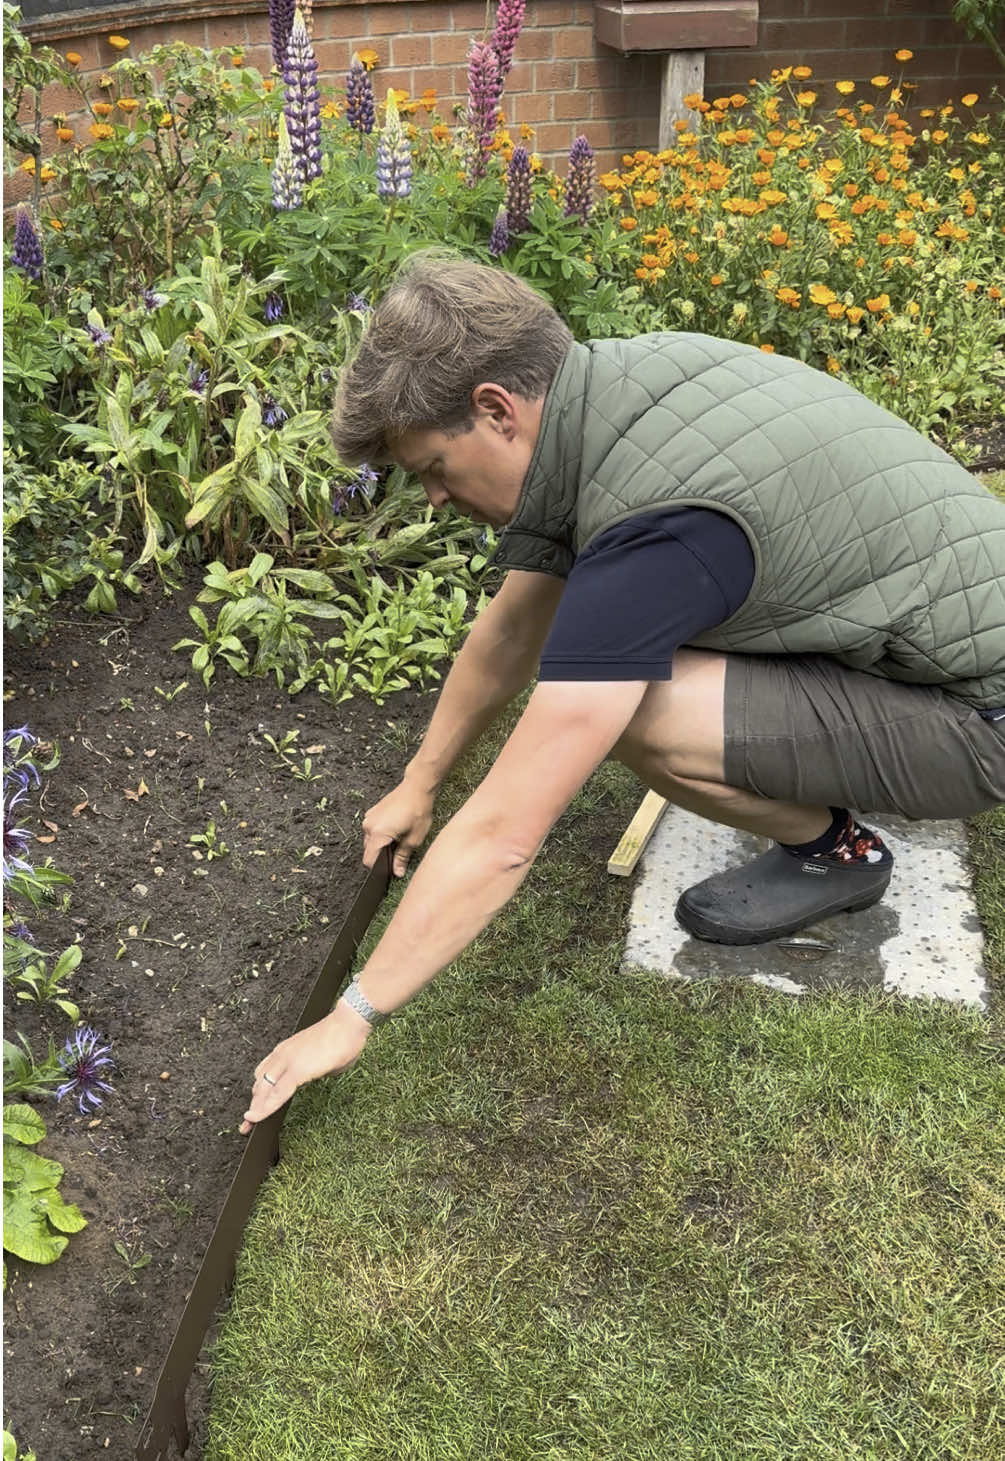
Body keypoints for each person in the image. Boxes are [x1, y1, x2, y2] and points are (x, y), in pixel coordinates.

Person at [240, 250, 1005, 1132]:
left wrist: (351, 1015)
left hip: (980, 715)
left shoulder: (656, 525)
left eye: (434, 469)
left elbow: (503, 838)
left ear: (495, 410)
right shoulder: (615, 394)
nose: (436, 498)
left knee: (638, 710)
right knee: (607, 668)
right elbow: (511, 629)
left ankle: (838, 852)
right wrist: (420, 779)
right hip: (933, 630)